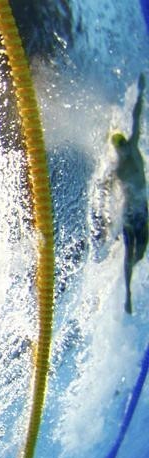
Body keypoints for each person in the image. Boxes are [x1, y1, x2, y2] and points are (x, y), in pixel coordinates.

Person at [112, 73, 146, 314]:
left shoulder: (133, 149)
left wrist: (141, 92)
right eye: (120, 148)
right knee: (128, 252)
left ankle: (132, 271)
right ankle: (128, 295)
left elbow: (135, 118)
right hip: (129, 212)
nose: (123, 150)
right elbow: (104, 189)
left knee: (141, 251)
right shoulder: (118, 168)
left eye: (124, 145)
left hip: (142, 209)